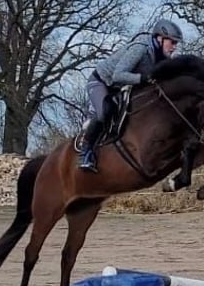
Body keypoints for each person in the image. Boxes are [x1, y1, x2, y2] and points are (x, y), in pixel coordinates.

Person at [78, 18, 184, 173]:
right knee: (104, 113)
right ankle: (85, 151)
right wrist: (143, 79)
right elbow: (118, 75)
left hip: (119, 88)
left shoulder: (162, 58)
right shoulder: (140, 49)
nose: (174, 47)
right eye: (172, 42)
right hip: (101, 82)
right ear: (160, 38)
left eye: (176, 43)